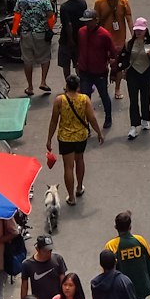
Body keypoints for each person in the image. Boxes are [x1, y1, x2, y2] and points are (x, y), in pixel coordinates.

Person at [47, 74, 105, 206]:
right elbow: (92, 118)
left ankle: (71, 197)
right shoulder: (85, 99)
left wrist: (49, 139)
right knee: (80, 161)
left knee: (68, 167)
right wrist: (99, 133)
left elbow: (54, 121)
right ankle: (79, 187)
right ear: (78, 87)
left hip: (65, 138)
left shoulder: (59, 100)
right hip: (81, 137)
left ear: (66, 86)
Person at [105, 211, 150, 299]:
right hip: (140, 287)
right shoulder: (140, 240)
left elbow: (107, 270)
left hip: (120, 290)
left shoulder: (111, 245)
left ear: (115, 227)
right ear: (130, 226)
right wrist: (147, 279)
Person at [12, 0, 56, 98]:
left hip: (26, 33)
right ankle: (43, 81)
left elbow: (17, 15)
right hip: (41, 33)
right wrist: (50, 28)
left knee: (27, 60)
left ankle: (30, 86)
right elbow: (50, 14)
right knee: (45, 57)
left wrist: (14, 30)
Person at [94, 0, 133, 100]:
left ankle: (117, 88)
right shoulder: (99, 2)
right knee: (103, 66)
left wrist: (133, 37)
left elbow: (129, 19)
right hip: (104, 41)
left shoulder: (123, 1)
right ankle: (103, 88)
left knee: (119, 66)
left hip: (120, 40)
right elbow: (96, 22)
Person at [76, 12, 115, 131]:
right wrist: (78, 63)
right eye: (85, 21)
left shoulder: (104, 34)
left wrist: (113, 69)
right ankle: (85, 125)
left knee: (103, 95)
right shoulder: (81, 32)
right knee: (84, 99)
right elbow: (79, 48)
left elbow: (113, 52)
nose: (87, 23)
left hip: (99, 72)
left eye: (89, 21)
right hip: (84, 71)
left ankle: (108, 117)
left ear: (96, 20)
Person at [20, 235, 67, 299]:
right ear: (37, 249)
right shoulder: (27, 265)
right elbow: (24, 286)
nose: (49, 253)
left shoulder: (58, 260)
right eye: (45, 251)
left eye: (50, 250)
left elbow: (63, 282)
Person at [56, 0, 87, 79]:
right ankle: (81, 82)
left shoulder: (64, 7)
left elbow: (68, 24)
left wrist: (70, 40)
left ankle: (68, 84)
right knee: (78, 63)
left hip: (66, 39)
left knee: (66, 64)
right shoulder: (83, 3)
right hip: (80, 38)